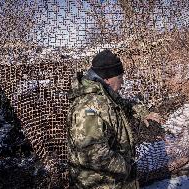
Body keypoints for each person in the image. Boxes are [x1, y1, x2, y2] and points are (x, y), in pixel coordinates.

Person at [67, 49, 162, 189]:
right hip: (102, 184)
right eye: (120, 78)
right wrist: (127, 167)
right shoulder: (88, 108)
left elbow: (123, 104)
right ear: (107, 79)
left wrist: (143, 112)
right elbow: (94, 155)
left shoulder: (104, 95)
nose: (122, 83)